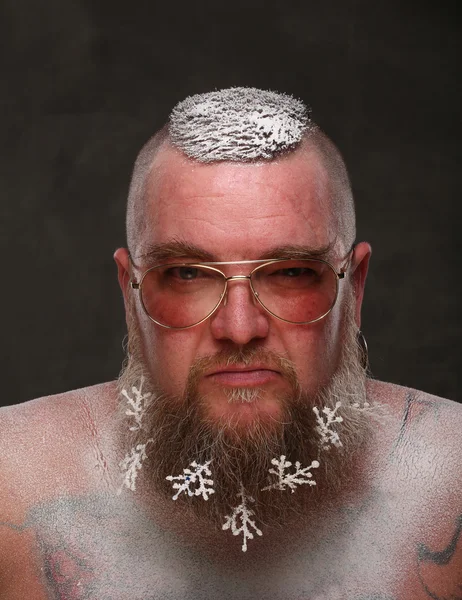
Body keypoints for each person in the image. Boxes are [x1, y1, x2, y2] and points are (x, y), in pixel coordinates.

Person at [0, 87, 460, 600]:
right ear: (131, 298)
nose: (239, 328)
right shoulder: (11, 488)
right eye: (188, 274)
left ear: (355, 289)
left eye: (290, 272)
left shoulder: (452, 480)